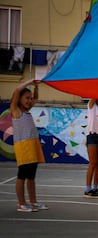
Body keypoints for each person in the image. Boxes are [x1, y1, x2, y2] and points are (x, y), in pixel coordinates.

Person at [10, 79, 48, 212]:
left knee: (31, 176)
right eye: (26, 98)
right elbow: (16, 91)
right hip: (23, 147)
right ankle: (21, 203)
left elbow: (36, 98)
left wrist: (36, 87)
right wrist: (29, 82)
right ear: (19, 99)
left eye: (30, 98)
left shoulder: (27, 111)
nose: (29, 100)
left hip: (33, 146)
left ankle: (33, 202)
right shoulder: (16, 111)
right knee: (22, 175)